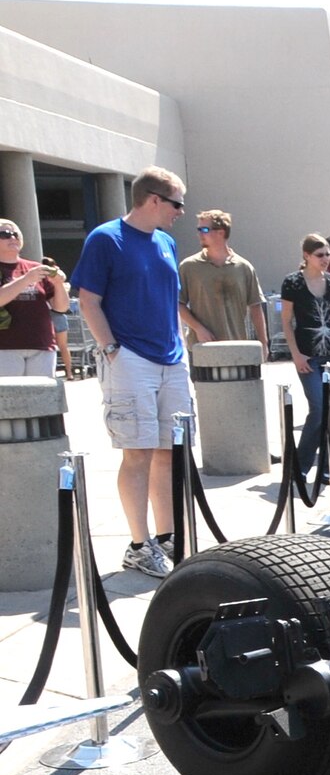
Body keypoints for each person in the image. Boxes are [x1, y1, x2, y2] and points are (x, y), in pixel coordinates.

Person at [70, 166, 190, 578]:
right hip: (130, 357)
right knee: (136, 451)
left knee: (167, 451)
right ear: (153, 199)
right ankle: (139, 545)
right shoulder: (106, 238)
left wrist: (180, 345)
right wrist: (111, 350)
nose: (181, 211)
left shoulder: (167, 242)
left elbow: (169, 298)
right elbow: (88, 300)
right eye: (177, 203)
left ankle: (169, 536)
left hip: (170, 358)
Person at [279, 234, 330, 487]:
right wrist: (295, 354)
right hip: (308, 355)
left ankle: (329, 468)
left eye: (328, 254)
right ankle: (301, 466)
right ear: (306, 256)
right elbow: (286, 321)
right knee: (318, 410)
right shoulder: (293, 283)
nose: (325, 259)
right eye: (320, 255)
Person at [178, 209, 268, 348]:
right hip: (202, 349)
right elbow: (178, 303)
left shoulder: (243, 267)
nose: (200, 234)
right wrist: (198, 328)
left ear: (221, 232)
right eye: (198, 229)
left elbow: (256, 307)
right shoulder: (189, 266)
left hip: (237, 347)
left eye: (205, 229)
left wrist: (263, 343)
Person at [0, 220, 69, 378]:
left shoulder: (36, 268)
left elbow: (60, 308)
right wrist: (26, 279)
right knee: (9, 401)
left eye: (16, 234)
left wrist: (58, 284)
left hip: (41, 345)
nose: (13, 238)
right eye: (5, 234)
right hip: (4, 347)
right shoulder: (32, 273)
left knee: (42, 399)